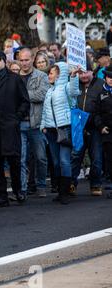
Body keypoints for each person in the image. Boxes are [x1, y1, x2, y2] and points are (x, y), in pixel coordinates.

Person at [0, 50, 30, 208]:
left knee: (14, 161)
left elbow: (25, 101)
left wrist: (17, 118)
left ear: (4, 61)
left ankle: (18, 191)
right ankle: (2, 196)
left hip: (10, 126)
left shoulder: (14, 79)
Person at [40, 63, 81, 205]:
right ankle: (60, 191)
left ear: (59, 74)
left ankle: (65, 192)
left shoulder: (66, 87)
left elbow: (74, 90)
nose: (48, 76)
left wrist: (74, 75)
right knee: (56, 162)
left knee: (64, 161)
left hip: (65, 129)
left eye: (51, 73)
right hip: (51, 131)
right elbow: (45, 111)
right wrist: (43, 126)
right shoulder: (49, 91)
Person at [18, 48, 50, 198]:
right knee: (21, 158)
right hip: (20, 123)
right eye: (21, 60)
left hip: (36, 123)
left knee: (41, 157)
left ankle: (41, 185)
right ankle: (22, 189)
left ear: (32, 59)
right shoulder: (14, 77)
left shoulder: (41, 76)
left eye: (27, 60)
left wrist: (21, 94)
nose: (24, 63)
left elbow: (42, 94)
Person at [71, 60, 104, 196]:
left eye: (86, 72)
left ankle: (96, 184)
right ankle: (71, 183)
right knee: (75, 156)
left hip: (95, 127)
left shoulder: (100, 85)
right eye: (81, 73)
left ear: (92, 71)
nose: (84, 75)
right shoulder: (74, 85)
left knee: (96, 158)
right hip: (78, 127)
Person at [93, 65, 112, 198]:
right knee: (110, 160)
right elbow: (96, 113)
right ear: (105, 78)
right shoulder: (101, 93)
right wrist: (101, 127)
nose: (111, 80)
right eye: (109, 77)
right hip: (108, 132)